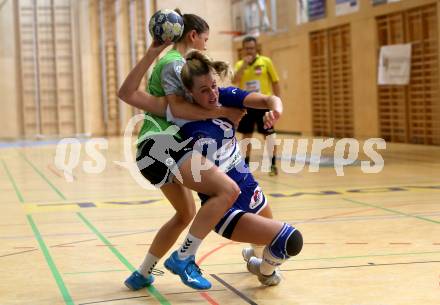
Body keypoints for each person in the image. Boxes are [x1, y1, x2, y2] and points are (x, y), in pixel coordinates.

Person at [123, 45, 303, 287]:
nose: (213, 95)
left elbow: (268, 98)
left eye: (214, 86)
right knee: (288, 240)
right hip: (225, 207)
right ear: (189, 92)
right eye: (204, 90)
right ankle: (259, 269)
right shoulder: (178, 112)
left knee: (266, 246)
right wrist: (153, 51)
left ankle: (257, 262)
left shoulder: (226, 96)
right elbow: (128, 93)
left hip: (249, 186)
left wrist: (276, 109)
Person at [118, 10, 246, 291]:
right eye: (205, 40)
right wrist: (224, 110)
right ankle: (184, 258)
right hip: (164, 145)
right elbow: (179, 108)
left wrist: (152, 51)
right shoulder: (176, 64)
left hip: (151, 152)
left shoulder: (170, 69)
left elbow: (128, 94)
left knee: (185, 213)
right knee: (228, 191)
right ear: (192, 36)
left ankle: (143, 272)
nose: (205, 47)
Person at [232, 36, 281, 176]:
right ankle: (246, 165)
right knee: (246, 136)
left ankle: (272, 165)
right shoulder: (239, 64)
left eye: (252, 48)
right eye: (247, 48)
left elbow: (275, 81)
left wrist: (276, 103)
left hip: (264, 105)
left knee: (269, 136)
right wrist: (243, 66)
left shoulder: (266, 62)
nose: (249, 51)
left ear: (256, 48)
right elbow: (235, 80)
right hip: (247, 105)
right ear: (243, 50)